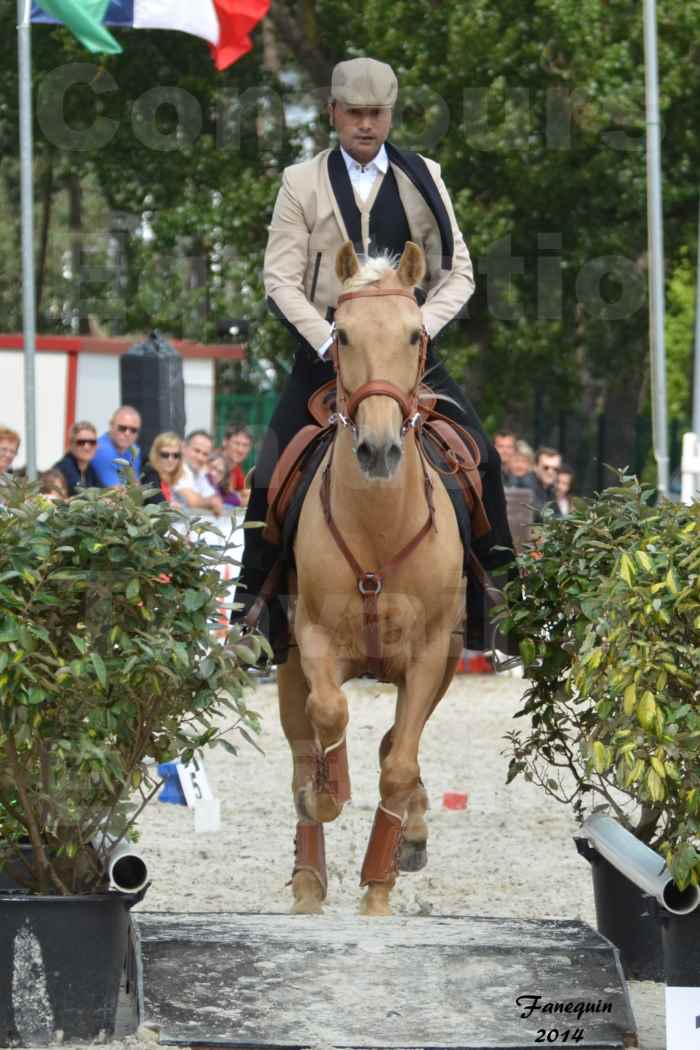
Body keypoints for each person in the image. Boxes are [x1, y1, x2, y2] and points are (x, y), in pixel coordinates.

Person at [233, 56, 517, 659]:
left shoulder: (425, 176)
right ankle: (253, 621)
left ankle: (502, 606)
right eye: (355, 113)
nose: (366, 124)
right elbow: (279, 279)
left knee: (483, 457)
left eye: (377, 114)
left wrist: (419, 329)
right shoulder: (299, 183)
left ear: (391, 115)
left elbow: (459, 272)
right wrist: (327, 337)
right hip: (325, 355)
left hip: (406, 356)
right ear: (333, 113)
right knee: (270, 470)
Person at [175, 430, 224, 516]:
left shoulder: (198, 473)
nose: (200, 457)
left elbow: (215, 498)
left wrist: (210, 502)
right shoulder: (178, 468)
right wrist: (210, 503)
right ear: (184, 448)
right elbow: (192, 501)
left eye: (205, 454)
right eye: (196, 451)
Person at [92, 406, 142, 486]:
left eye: (133, 430)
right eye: (122, 428)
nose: (127, 433)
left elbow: (135, 486)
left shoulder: (134, 449)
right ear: (111, 426)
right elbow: (116, 490)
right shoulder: (101, 449)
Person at [53, 421, 100, 495]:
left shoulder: (91, 470)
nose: (87, 447)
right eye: (81, 442)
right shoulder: (64, 468)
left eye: (92, 442)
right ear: (71, 444)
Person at [142, 432, 186, 504]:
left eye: (176, 455)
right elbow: (159, 504)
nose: (170, 460)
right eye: (165, 455)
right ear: (156, 455)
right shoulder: (150, 474)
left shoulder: (168, 478)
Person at [220, 423, 253, 507]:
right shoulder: (215, 465)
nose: (240, 449)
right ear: (225, 442)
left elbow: (245, 492)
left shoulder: (236, 469)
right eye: (236, 443)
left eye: (245, 445)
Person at [532, 446, 562, 519]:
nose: (550, 472)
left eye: (555, 469)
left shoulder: (550, 490)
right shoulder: (528, 487)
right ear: (535, 467)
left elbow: (559, 516)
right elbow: (541, 515)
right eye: (546, 468)